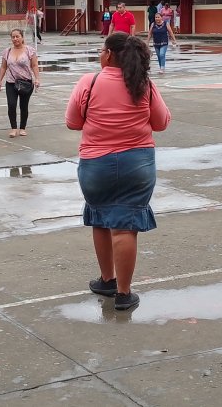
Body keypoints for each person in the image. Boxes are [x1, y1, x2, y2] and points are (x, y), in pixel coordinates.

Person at [65, 32, 170, 311]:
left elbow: (72, 122)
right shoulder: (143, 84)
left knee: (100, 217)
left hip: (96, 165)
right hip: (137, 164)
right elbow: (161, 123)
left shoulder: (90, 81)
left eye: (101, 50)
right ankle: (124, 294)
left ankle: (107, 280)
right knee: (125, 227)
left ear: (109, 54)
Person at [0, 29, 41, 138]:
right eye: (13, 37)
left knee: (23, 106)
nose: (15, 39)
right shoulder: (7, 51)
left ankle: (22, 128)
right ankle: (13, 128)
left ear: (22, 37)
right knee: (11, 105)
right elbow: (3, 66)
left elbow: (34, 65)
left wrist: (37, 79)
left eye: (17, 36)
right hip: (11, 82)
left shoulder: (29, 50)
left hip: (26, 83)